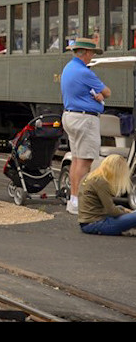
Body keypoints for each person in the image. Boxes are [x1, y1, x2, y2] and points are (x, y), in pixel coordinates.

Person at [61, 37, 111, 215]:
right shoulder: (85, 72)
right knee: (85, 161)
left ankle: (74, 200)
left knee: (76, 159)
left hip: (70, 116)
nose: (91, 57)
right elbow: (107, 92)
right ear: (87, 53)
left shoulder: (68, 69)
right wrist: (99, 97)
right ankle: (80, 201)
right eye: (92, 53)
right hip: (85, 120)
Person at [77, 155, 136, 235]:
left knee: (124, 210)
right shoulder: (101, 182)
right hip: (96, 223)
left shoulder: (89, 177)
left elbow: (101, 207)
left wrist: (123, 210)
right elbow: (111, 211)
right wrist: (128, 214)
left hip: (88, 222)